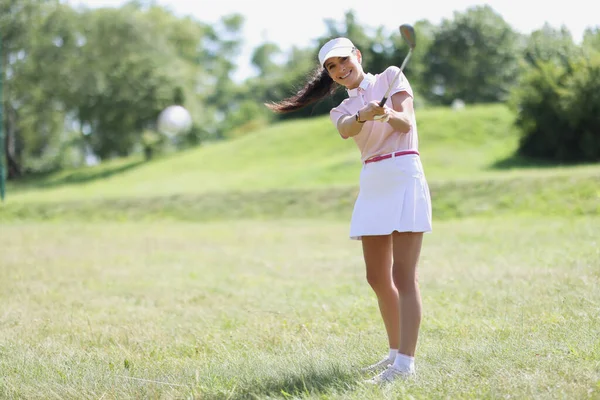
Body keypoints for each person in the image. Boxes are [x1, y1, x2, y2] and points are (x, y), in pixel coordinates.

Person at [266, 37, 432, 384]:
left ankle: (406, 365)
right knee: (376, 277)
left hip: (403, 172)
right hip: (373, 179)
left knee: (404, 276)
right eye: (331, 67)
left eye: (344, 61)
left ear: (357, 56)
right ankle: (393, 354)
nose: (340, 70)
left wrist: (386, 112)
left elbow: (407, 124)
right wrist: (362, 113)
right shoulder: (339, 110)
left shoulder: (390, 77)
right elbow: (346, 129)